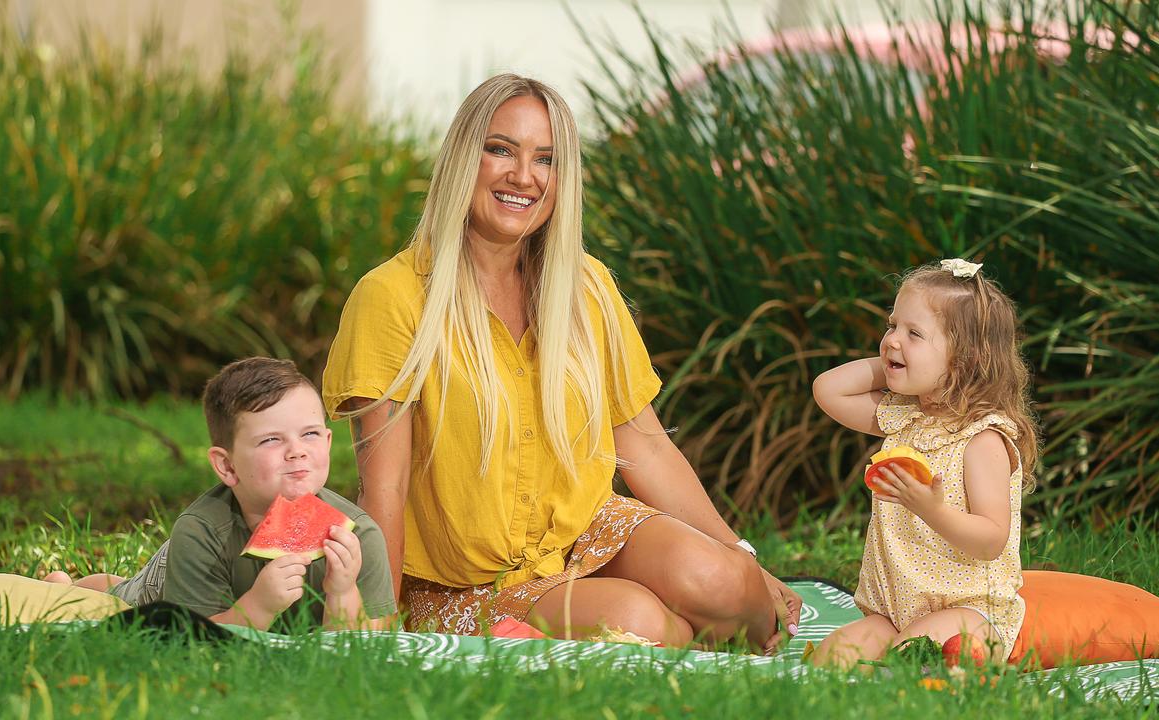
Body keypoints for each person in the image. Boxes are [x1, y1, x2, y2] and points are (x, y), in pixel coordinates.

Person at [321, 73, 800, 650]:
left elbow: (644, 445)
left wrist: (743, 558)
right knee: (640, 622)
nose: (523, 176)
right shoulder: (394, 296)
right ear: (461, 159)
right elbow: (386, 488)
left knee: (728, 585)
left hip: (585, 534)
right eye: (500, 150)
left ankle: (678, 633)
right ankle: (672, 638)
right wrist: (378, 629)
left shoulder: (587, 286)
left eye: (545, 159)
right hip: (467, 584)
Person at [46, 357, 397, 631]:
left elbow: (370, 646)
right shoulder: (201, 531)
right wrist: (256, 608)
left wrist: (342, 592)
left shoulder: (358, 534)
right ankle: (65, 586)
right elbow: (186, 641)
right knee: (121, 601)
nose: (297, 451)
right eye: (272, 439)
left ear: (328, 440)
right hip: (172, 586)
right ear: (227, 467)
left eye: (310, 435)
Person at [810, 259, 1041, 667]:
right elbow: (827, 390)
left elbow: (990, 540)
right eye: (891, 325)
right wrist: (895, 359)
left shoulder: (981, 438)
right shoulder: (905, 417)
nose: (892, 340)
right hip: (894, 610)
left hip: (969, 611)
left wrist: (932, 510)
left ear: (966, 360)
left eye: (914, 333)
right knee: (830, 660)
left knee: (914, 656)